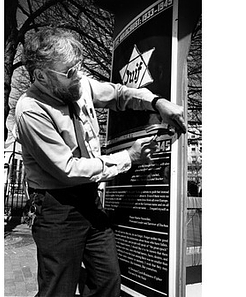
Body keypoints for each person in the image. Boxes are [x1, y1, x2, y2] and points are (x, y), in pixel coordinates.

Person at [14, 27, 186, 297]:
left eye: (78, 67)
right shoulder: (30, 110)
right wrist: (128, 158)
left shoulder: (77, 85)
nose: (78, 77)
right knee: (58, 288)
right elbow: (68, 170)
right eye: (69, 72)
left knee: (106, 281)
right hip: (56, 208)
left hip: (89, 199)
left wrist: (156, 101)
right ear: (41, 76)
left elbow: (118, 94)